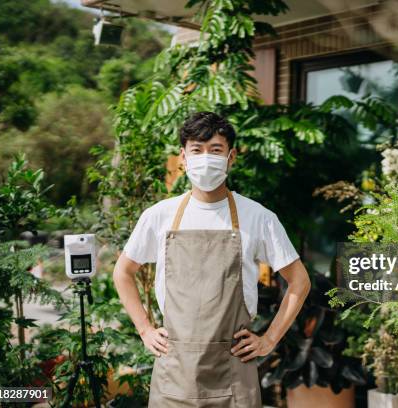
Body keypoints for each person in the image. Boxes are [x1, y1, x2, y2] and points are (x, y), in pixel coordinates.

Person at [113, 111, 311, 407]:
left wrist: (268, 340)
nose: (206, 158)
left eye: (215, 150)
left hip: (233, 369)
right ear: (183, 157)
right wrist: (145, 329)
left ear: (231, 157)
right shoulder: (159, 216)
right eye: (197, 150)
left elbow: (300, 282)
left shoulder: (258, 217)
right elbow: (123, 273)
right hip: (175, 370)